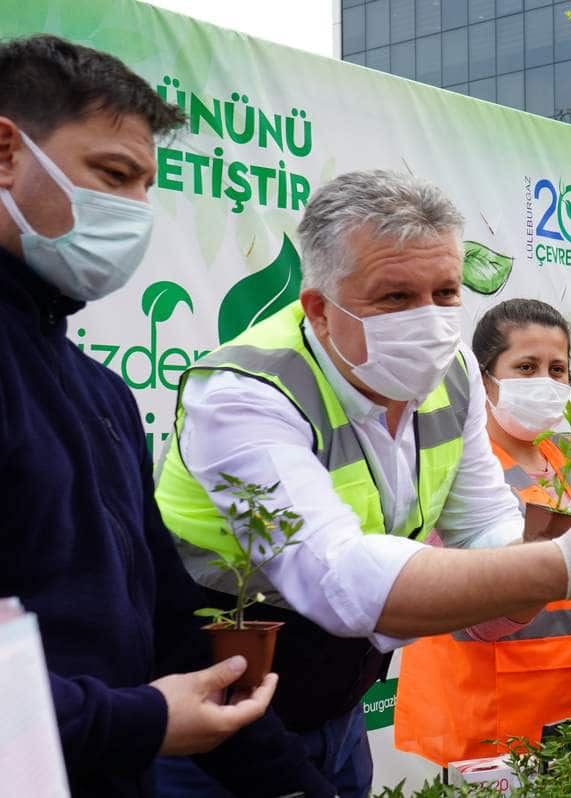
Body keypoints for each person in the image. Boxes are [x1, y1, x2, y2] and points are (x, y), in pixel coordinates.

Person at [153, 170, 571, 796]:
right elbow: (338, 579)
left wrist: (552, 557)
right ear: (318, 307)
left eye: (446, 292)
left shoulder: (455, 373)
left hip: (335, 708)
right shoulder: (242, 393)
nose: (428, 321)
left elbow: (483, 526)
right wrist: (562, 567)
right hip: (205, 722)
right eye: (394, 297)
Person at [0, 34, 337, 797]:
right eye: (112, 175)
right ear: (6, 152)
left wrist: (288, 782)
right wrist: (142, 722)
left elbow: (163, 617)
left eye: (147, 185)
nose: (135, 213)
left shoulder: (100, 392)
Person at [393, 298, 571, 765]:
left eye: (557, 369)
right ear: (483, 379)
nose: (545, 381)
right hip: (485, 707)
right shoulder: (458, 470)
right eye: (526, 367)